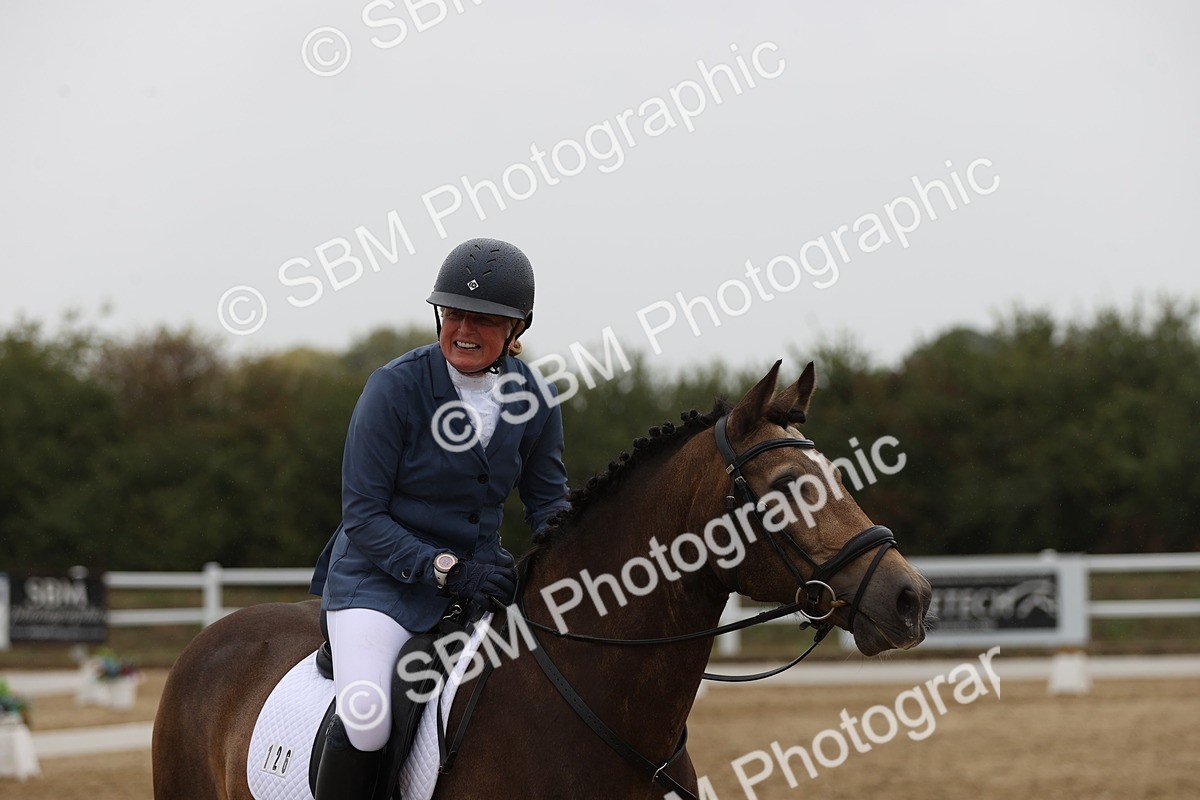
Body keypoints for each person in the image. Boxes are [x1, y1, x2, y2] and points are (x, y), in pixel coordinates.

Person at [306, 237, 570, 799]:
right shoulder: (393, 388)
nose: (464, 329)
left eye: (484, 318)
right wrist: (449, 570)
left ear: (516, 328)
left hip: (480, 586)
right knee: (368, 718)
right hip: (377, 584)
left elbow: (549, 506)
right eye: (453, 313)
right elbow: (364, 516)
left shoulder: (535, 398)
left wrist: (579, 553)